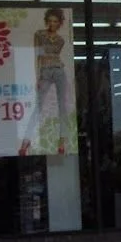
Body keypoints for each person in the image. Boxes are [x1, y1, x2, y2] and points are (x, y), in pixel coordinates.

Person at [19, 8, 73, 155]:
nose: (52, 24)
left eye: (55, 21)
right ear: (46, 21)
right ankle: (26, 140)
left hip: (59, 70)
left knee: (62, 106)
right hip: (45, 71)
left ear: (60, 23)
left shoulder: (61, 40)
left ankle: (61, 141)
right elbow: (37, 56)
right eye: (50, 21)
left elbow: (56, 56)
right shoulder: (40, 34)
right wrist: (37, 76)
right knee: (38, 107)